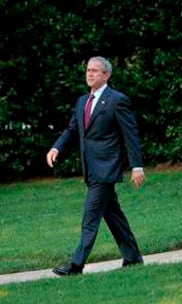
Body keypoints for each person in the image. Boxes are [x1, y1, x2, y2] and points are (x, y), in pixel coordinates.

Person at [46, 56, 146, 275]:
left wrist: (137, 166)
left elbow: (130, 135)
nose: (90, 74)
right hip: (90, 169)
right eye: (88, 70)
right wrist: (56, 148)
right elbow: (72, 129)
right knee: (113, 215)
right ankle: (133, 257)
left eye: (95, 71)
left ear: (106, 75)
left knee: (90, 216)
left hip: (106, 168)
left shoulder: (117, 100)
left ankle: (76, 264)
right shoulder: (82, 101)